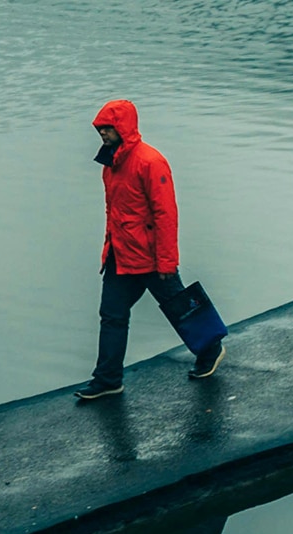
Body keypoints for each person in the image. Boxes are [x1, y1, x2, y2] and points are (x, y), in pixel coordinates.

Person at [75, 99, 225, 400]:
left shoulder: (150, 162)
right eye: (100, 128)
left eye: (108, 127)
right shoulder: (111, 162)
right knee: (111, 314)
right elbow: (115, 211)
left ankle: (211, 351)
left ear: (124, 127)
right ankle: (108, 380)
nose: (102, 133)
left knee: (182, 309)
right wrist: (109, 250)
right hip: (120, 255)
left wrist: (168, 262)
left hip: (152, 259)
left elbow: (166, 214)